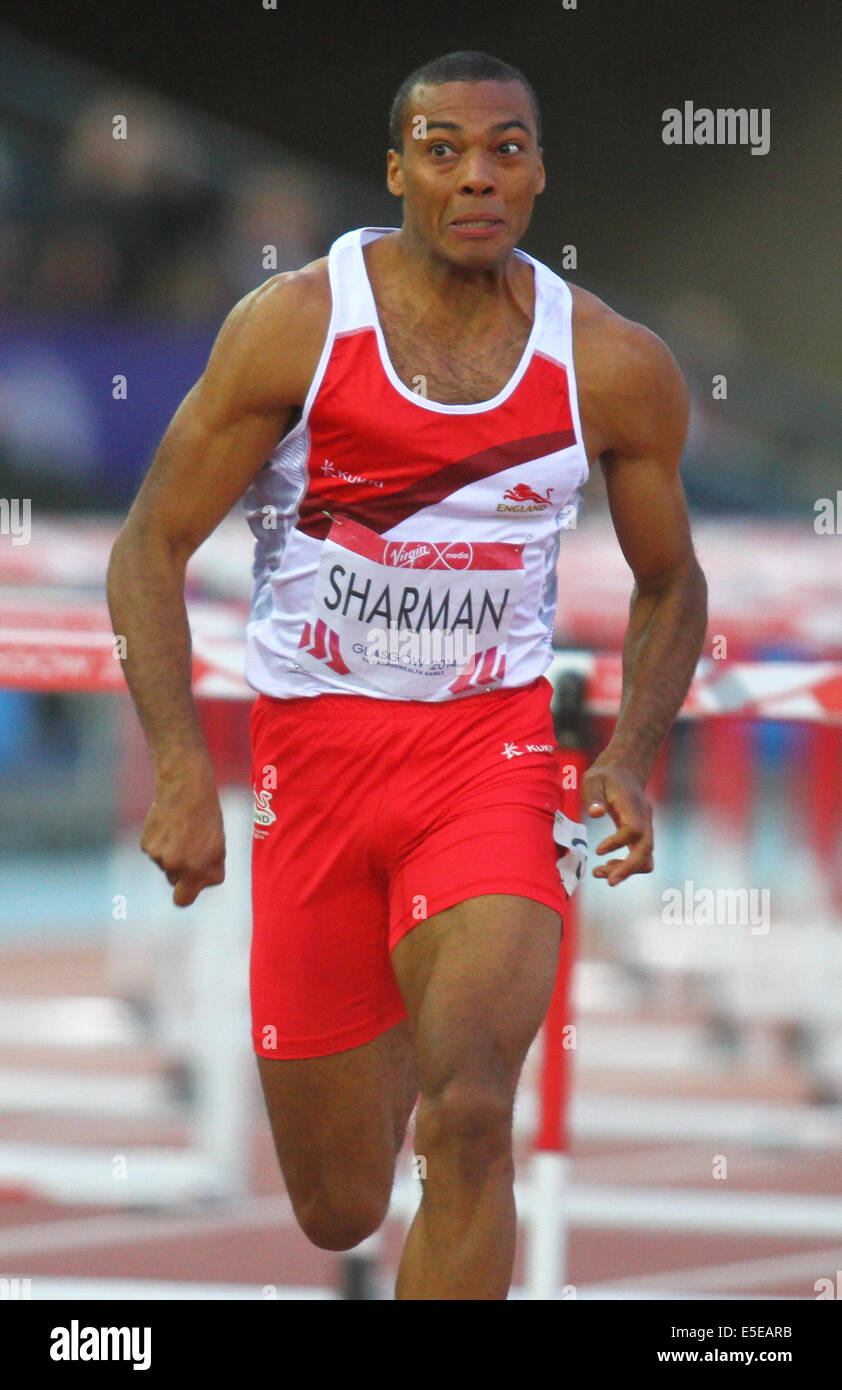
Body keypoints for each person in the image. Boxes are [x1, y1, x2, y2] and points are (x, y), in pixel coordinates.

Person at [107, 50, 708, 1300]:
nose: (476, 176)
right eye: (443, 149)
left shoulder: (608, 364)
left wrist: (627, 755)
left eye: (505, 149)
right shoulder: (296, 327)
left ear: (538, 173)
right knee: (337, 1208)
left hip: (483, 758)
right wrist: (178, 769)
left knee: (473, 1111)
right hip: (311, 762)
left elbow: (672, 583)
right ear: (396, 173)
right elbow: (149, 546)